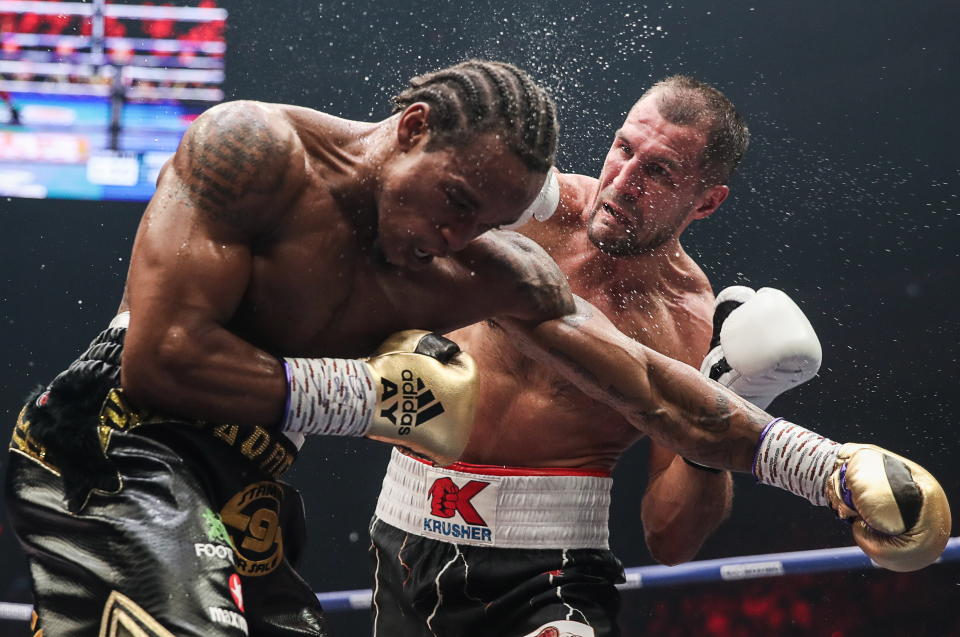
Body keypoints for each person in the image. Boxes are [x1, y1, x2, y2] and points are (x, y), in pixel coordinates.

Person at [5, 59, 575, 637]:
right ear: (413, 128)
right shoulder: (253, 150)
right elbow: (158, 361)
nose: (458, 235)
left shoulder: (485, 272)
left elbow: (632, 372)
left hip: (246, 476)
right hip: (119, 438)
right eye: (456, 198)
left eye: (487, 221)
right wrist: (372, 398)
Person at [367, 77, 952, 637]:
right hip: (402, 537)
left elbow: (670, 541)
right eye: (623, 148)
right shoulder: (526, 209)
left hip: (549, 573)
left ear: (707, 202)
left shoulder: (690, 322)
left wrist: (736, 401)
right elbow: (374, 213)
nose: (623, 181)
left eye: (659, 172)